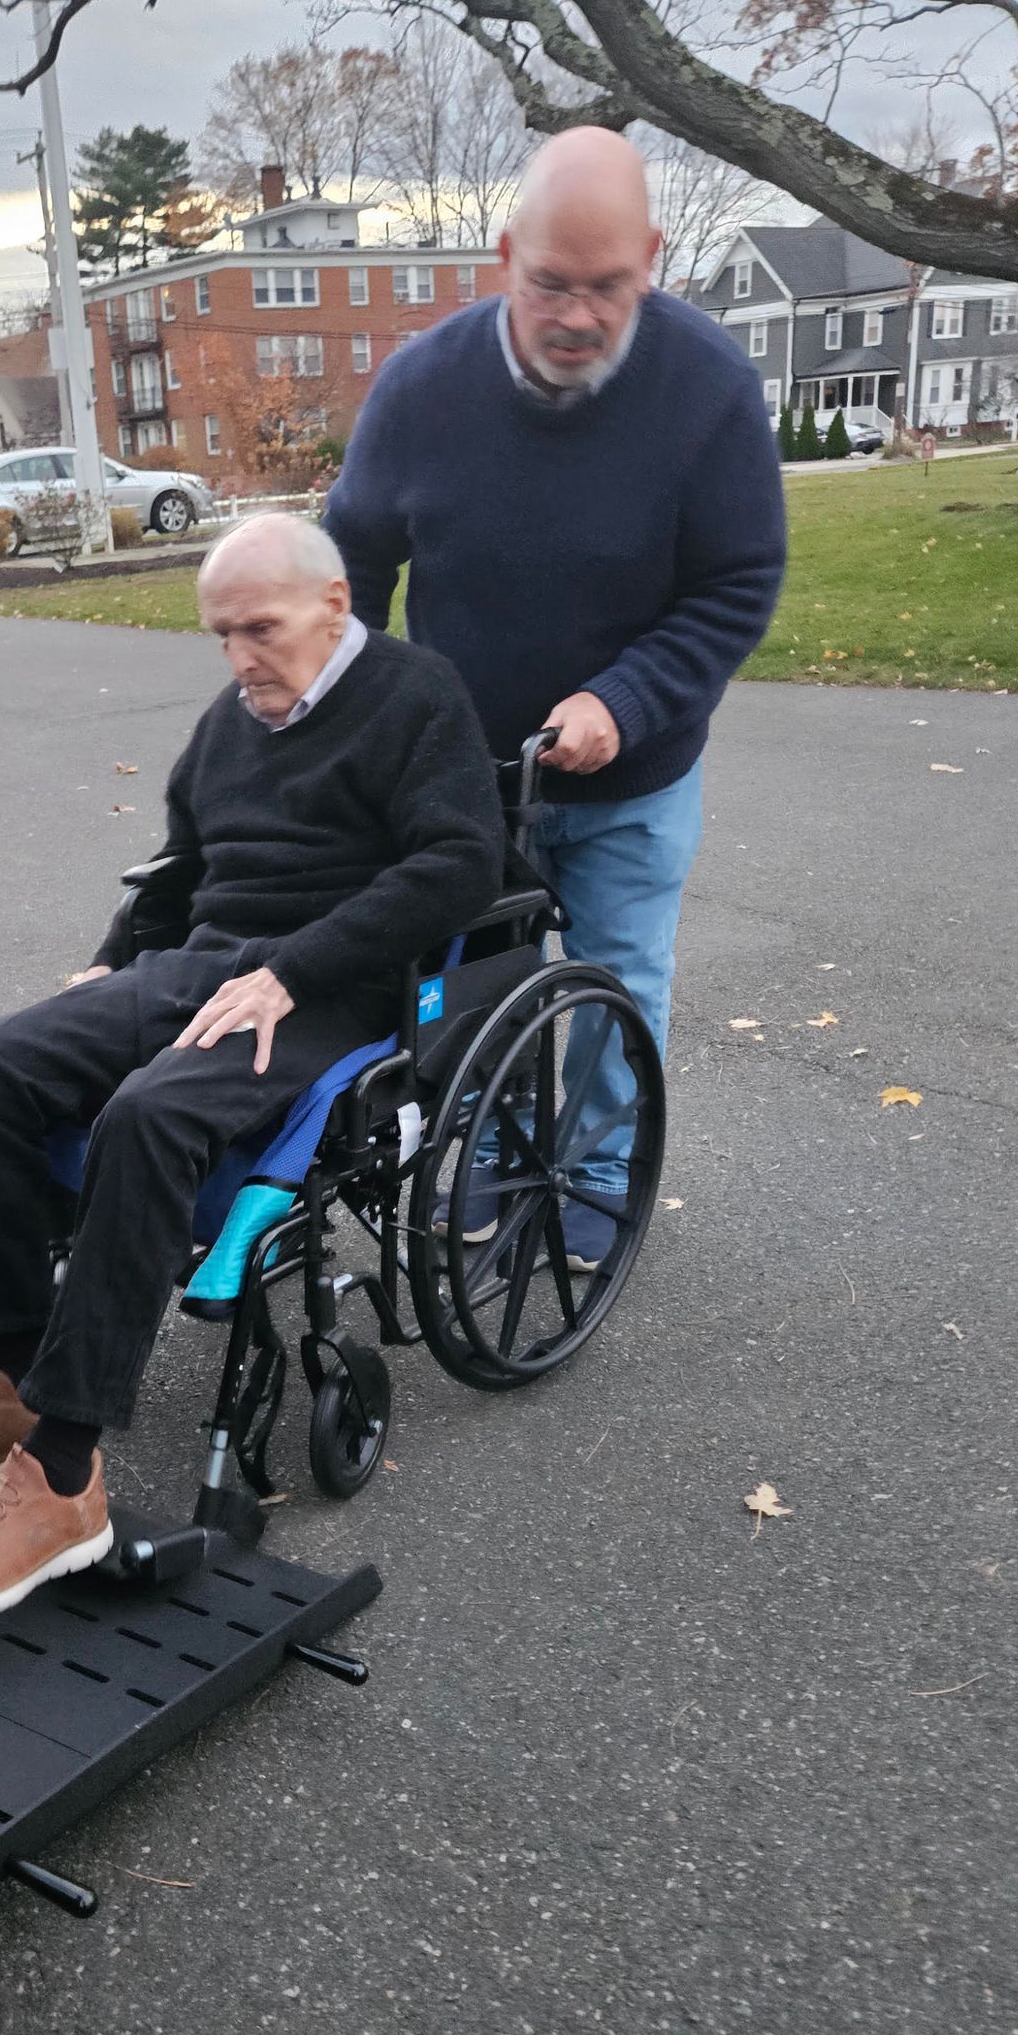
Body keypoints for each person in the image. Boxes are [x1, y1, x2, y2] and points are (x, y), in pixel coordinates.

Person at [0, 513, 504, 1619]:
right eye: (221, 634)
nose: (239, 657)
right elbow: (177, 869)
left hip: (336, 989)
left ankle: (62, 1477)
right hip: (198, 966)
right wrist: (107, 969)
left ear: (336, 606)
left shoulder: (416, 697)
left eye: (260, 628)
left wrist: (293, 972)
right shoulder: (229, 720)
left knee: (147, 1119)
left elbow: (459, 865)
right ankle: (13, 1379)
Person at [324, 127, 786, 1268]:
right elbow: (355, 569)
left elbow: (738, 584)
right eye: (551, 285)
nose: (578, 315)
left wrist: (624, 701)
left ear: (655, 260)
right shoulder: (424, 390)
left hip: (635, 771)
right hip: (466, 775)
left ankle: (587, 1167)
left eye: (610, 287)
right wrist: (346, 709)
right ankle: (485, 1146)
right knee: (465, 986)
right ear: (503, 257)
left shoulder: (709, 390)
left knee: (615, 983)